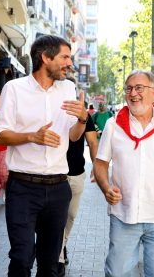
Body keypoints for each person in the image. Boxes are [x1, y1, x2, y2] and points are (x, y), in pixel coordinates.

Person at [0, 35, 88, 277]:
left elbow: (74, 137)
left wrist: (82, 119)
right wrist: (32, 137)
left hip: (58, 188)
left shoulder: (68, 88)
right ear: (46, 57)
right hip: (23, 187)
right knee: (22, 258)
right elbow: (0, 135)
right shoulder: (14, 89)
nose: (70, 63)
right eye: (65, 57)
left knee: (50, 264)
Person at [94, 70, 154, 277]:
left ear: (153, 92)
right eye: (129, 88)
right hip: (124, 215)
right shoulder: (114, 126)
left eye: (139, 88)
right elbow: (100, 164)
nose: (133, 93)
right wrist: (106, 188)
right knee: (117, 274)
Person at [58, 113, 98, 276]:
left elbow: (93, 141)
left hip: (76, 172)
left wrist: (96, 165)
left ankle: (62, 243)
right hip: (54, 174)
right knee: (57, 217)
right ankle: (58, 256)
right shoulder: (50, 108)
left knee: (71, 215)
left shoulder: (83, 115)